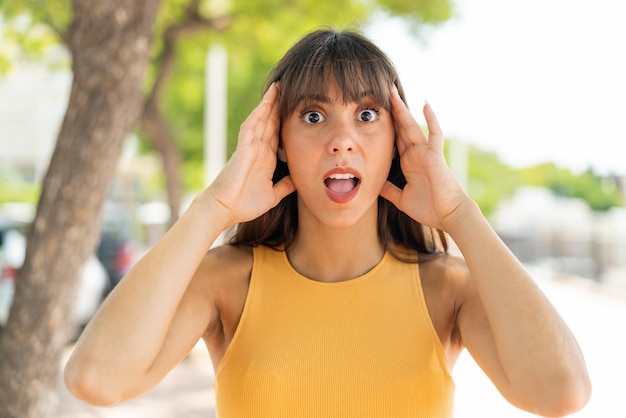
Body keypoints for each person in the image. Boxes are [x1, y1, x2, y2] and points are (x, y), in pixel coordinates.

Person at [64, 29, 591, 417]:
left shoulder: (444, 288)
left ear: (397, 140)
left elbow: (562, 393)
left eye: (366, 115)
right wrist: (211, 210)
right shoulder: (227, 281)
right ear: (280, 143)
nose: (342, 140)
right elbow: (95, 379)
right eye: (313, 116)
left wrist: (460, 216)